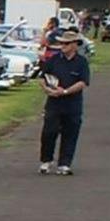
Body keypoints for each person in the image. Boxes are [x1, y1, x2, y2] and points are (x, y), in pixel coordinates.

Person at [38, 30, 90, 175]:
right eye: (61, 43)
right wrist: (48, 90)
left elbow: (83, 82)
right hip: (54, 102)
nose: (63, 46)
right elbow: (42, 77)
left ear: (75, 45)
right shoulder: (54, 60)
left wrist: (65, 91)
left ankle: (64, 164)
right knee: (49, 132)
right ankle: (46, 161)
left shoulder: (81, 62)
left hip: (72, 104)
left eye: (66, 43)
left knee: (70, 133)